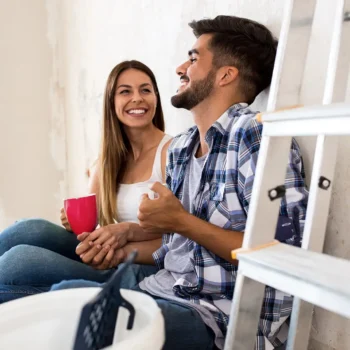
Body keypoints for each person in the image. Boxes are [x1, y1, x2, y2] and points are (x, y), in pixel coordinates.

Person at [0, 16, 308, 350]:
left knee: (52, 292)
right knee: (34, 264)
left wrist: (180, 222)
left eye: (192, 58)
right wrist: (126, 235)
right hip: (165, 288)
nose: (179, 68)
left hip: (215, 317)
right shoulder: (186, 148)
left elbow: (283, 255)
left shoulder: (254, 136)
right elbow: (174, 248)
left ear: (226, 74)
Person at [0, 60, 171, 300]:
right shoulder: (108, 160)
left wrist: (122, 245)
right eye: (125, 91)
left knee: (20, 263)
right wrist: (73, 222)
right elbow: (90, 225)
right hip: (112, 255)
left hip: (145, 267)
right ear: (112, 102)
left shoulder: (172, 153)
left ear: (156, 97)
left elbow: (182, 241)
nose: (137, 98)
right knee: (29, 230)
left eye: (145, 90)